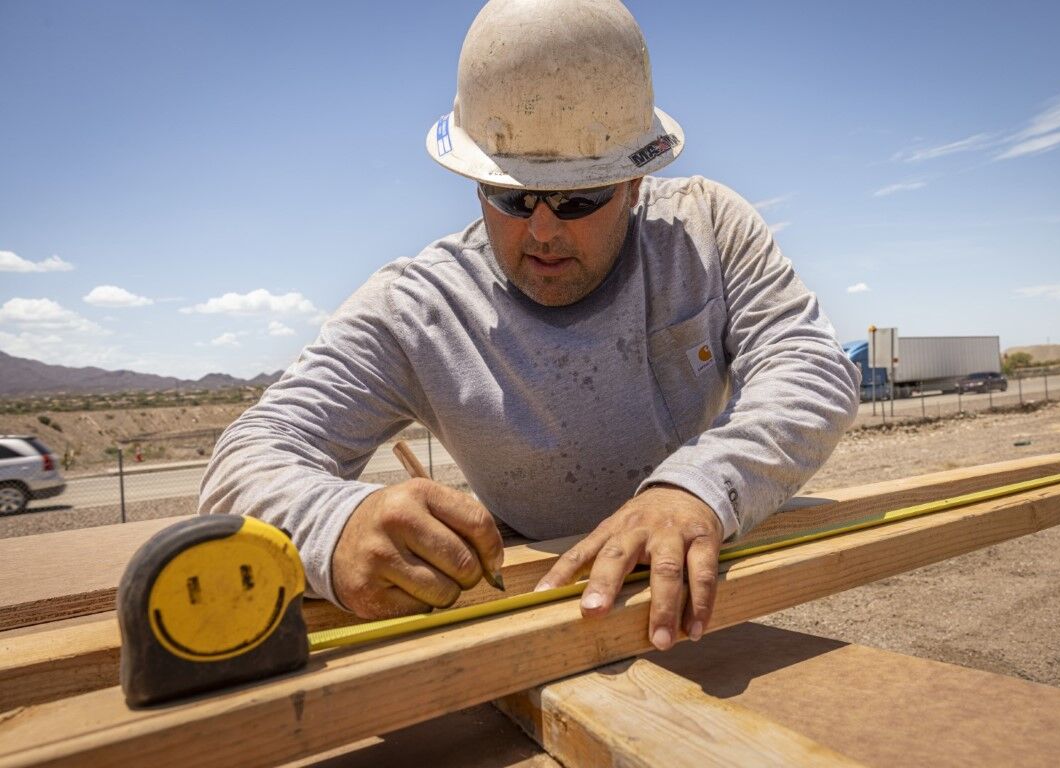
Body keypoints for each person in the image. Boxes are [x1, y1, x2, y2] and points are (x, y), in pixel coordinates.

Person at [199, 0, 860, 651]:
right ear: (473, 182)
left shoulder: (702, 232)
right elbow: (253, 452)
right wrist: (331, 524)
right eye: (510, 198)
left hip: (691, 596)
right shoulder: (417, 307)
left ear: (634, 183)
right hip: (534, 613)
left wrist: (695, 489)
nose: (541, 230)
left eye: (579, 199)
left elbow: (805, 364)